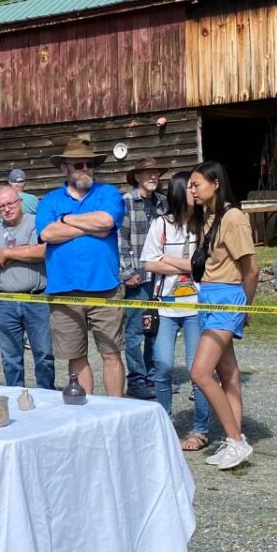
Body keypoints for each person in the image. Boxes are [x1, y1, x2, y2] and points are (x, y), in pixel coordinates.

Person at [36, 136, 126, 398]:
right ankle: (88, 414)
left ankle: (115, 410)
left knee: (110, 353)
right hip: (64, 290)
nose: (85, 169)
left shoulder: (108, 193)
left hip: (105, 288)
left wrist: (67, 220)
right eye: (78, 165)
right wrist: (89, 227)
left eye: (89, 164)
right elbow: (48, 233)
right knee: (75, 356)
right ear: (65, 168)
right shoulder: (49, 201)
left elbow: (107, 221)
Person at [186, 162, 259, 469]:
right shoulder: (209, 218)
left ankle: (236, 441)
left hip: (227, 298)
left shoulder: (233, 218)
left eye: (196, 184)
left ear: (215, 183)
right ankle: (233, 438)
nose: (191, 190)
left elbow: (251, 268)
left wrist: (245, 309)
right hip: (210, 297)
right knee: (227, 372)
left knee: (200, 372)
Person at [141, 174, 210, 450]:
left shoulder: (205, 226)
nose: (196, 192)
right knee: (163, 365)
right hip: (165, 307)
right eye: (191, 188)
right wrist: (188, 264)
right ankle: (165, 422)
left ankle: (200, 429)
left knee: (198, 370)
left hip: (197, 306)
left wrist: (169, 259)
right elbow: (149, 263)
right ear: (181, 192)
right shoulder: (161, 224)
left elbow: (207, 266)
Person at [0, 184, 55, 389]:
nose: (7, 208)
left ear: (20, 202)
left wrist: (6, 254)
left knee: (44, 355)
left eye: (10, 203)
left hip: (37, 298)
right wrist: (23, 250)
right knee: (10, 357)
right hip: (7, 302)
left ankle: (46, 395)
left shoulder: (36, 224)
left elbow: (40, 252)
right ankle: (16, 396)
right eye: (1, 205)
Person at [118, 158, 164, 400]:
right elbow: (120, 240)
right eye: (147, 173)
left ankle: (153, 376)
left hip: (161, 277)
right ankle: (136, 379)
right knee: (135, 330)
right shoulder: (126, 202)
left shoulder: (162, 203)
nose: (152, 176)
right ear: (137, 177)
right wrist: (127, 272)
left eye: (155, 172)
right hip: (138, 275)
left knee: (156, 328)